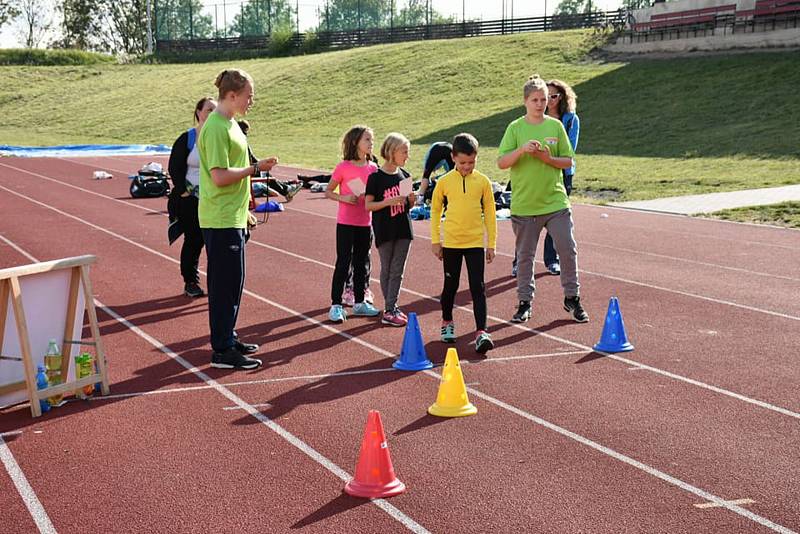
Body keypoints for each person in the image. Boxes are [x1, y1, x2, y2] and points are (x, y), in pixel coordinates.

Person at [199, 68, 278, 370]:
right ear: (232, 95)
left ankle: (228, 337)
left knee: (234, 283)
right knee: (224, 285)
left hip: (232, 215)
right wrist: (254, 169)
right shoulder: (217, 127)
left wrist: (246, 208)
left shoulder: (231, 125)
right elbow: (219, 177)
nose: (251, 101)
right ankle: (221, 350)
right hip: (219, 219)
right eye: (249, 96)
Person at [497, 74, 588, 325]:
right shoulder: (515, 128)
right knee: (525, 257)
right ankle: (524, 303)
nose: (540, 104)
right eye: (535, 99)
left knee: (568, 249)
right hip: (525, 205)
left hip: (555, 202)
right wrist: (521, 150)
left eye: (544, 99)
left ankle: (573, 297)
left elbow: (568, 160)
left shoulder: (556, 126)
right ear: (525, 101)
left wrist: (548, 159)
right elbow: (502, 162)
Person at [430, 133, 497, 354]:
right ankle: (447, 322)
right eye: (462, 163)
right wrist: (435, 241)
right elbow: (435, 211)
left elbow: (490, 213)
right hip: (451, 243)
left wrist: (491, 244)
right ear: (453, 158)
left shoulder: (483, 182)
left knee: (478, 287)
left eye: (471, 162)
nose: (467, 167)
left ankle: (481, 332)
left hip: (475, 242)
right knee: (451, 286)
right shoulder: (444, 182)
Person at [325, 125, 380, 323]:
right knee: (343, 262)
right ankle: (336, 305)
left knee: (361, 263)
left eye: (372, 140)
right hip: (346, 223)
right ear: (356, 142)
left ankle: (359, 302)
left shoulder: (373, 168)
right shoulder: (343, 167)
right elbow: (328, 191)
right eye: (367, 139)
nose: (371, 143)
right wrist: (344, 198)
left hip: (365, 223)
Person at [365, 133, 416, 327]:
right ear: (392, 151)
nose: (407, 156)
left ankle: (390, 308)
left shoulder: (405, 176)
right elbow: (368, 206)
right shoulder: (376, 178)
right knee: (387, 269)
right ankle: (390, 308)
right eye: (404, 152)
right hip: (384, 229)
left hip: (403, 228)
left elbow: (407, 206)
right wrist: (388, 202)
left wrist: (411, 202)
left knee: (397, 270)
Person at [168, 96, 216, 298]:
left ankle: (219, 282)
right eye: (208, 110)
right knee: (194, 241)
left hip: (215, 198)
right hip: (191, 199)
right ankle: (190, 281)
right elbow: (174, 168)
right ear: (198, 113)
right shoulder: (187, 138)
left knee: (217, 242)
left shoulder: (220, 136)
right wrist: (185, 192)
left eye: (215, 110)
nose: (212, 113)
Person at [540, 79, 580, 276]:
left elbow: (569, 150)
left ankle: (551, 259)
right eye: (546, 96)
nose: (550, 100)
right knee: (529, 218)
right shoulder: (537, 118)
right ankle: (519, 261)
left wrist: (549, 157)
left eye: (554, 96)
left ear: (562, 97)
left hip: (563, 174)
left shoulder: (571, 119)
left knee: (556, 218)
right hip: (539, 173)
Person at [237, 119, 302, 202]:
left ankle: (287, 189)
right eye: (246, 132)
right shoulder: (242, 141)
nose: (246, 134)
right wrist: (264, 163)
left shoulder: (239, 140)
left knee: (266, 175)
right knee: (265, 175)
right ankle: (287, 190)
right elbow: (252, 158)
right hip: (244, 171)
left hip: (243, 169)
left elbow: (252, 158)